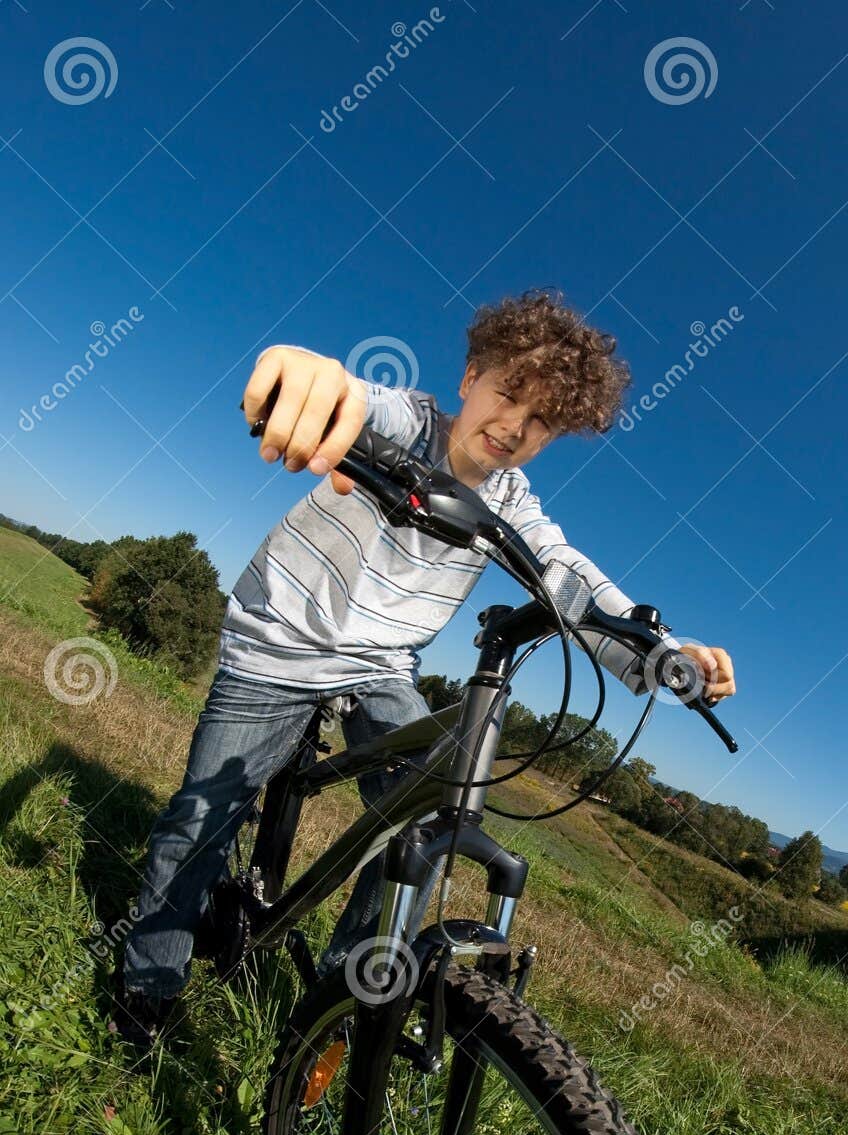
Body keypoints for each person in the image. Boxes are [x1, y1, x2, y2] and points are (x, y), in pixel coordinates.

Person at [112, 288, 735, 1049]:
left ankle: (338, 1005)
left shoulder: (514, 508)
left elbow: (571, 577)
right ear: (473, 375)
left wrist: (662, 651)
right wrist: (304, 379)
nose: (515, 426)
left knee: (433, 810)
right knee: (200, 821)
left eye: (542, 421)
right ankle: (147, 987)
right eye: (509, 393)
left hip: (378, 665)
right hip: (278, 642)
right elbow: (350, 397)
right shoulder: (410, 423)